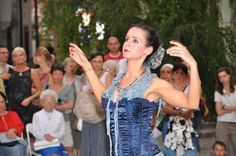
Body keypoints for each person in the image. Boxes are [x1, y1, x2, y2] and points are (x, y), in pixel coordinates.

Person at [69, 23, 201, 156]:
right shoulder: (118, 79)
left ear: (147, 50)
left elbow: (192, 103)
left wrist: (193, 66)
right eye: (127, 39)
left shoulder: (153, 83)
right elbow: (104, 99)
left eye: (135, 40)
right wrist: (86, 65)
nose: (127, 44)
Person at [79, 53, 113, 156]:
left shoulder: (107, 75)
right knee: (87, 141)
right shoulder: (86, 76)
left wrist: (96, 93)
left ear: (103, 63)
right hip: (88, 114)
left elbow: (109, 96)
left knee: (100, 143)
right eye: (94, 61)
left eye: (99, 61)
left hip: (100, 114)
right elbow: (82, 93)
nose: (97, 64)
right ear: (90, 62)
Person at [163, 63, 198, 156]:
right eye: (176, 72)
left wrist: (188, 111)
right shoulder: (167, 89)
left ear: (185, 75)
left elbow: (195, 104)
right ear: (173, 74)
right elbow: (165, 108)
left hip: (188, 124)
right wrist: (180, 112)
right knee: (170, 151)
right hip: (172, 124)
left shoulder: (191, 88)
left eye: (182, 73)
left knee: (190, 152)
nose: (178, 75)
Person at [1, 47, 41, 125]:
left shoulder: (32, 72)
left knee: (27, 133)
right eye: (15, 56)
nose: (18, 57)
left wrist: (29, 99)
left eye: (21, 55)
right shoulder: (8, 70)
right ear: (12, 58)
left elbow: (39, 90)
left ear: (25, 57)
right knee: (13, 132)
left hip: (26, 107)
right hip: (11, 108)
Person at [48, 63, 75, 155]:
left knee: (68, 146)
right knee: (52, 147)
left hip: (64, 120)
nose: (58, 76)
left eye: (60, 74)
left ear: (63, 75)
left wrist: (56, 107)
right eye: (55, 73)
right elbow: (42, 103)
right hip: (49, 121)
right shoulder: (47, 88)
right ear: (51, 74)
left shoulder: (68, 89)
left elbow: (71, 105)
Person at [30, 89, 66, 156]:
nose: (49, 102)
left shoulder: (59, 115)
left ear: (55, 103)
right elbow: (35, 131)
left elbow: (62, 132)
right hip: (41, 144)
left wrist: (53, 136)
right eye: (46, 100)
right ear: (42, 103)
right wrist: (44, 137)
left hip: (55, 143)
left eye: (51, 100)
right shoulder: (36, 115)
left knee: (54, 151)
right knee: (54, 153)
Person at [214, 67, 236, 156]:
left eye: (224, 76)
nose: (223, 79)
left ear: (229, 76)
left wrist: (225, 107)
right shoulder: (218, 92)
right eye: (220, 77)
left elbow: (221, 109)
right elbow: (218, 112)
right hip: (222, 124)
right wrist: (233, 108)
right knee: (221, 152)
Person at [63, 57, 82, 156]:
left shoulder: (79, 79)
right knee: (67, 138)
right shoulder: (60, 79)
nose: (73, 68)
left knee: (78, 136)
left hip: (77, 112)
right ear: (65, 67)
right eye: (71, 66)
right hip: (64, 113)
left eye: (75, 66)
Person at [0, 91, 27, 156]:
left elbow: (20, 126)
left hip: (14, 142)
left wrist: (13, 131)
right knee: (15, 149)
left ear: (5, 103)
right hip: (1, 144)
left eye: (2, 102)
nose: (0, 105)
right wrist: (5, 134)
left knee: (20, 147)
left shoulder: (13, 114)